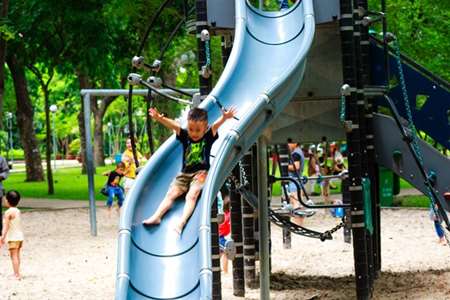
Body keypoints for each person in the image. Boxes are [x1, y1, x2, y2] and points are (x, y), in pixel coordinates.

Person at [142, 106, 236, 235]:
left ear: (205, 127)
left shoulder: (208, 136)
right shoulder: (185, 135)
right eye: (191, 129)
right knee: (171, 194)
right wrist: (159, 118)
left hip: (201, 174)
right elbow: (174, 126)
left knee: (191, 195)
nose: (194, 133)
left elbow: (215, 126)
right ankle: (157, 216)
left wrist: (224, 118)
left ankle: (182, 221)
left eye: (198, 130)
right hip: (184, 174)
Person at [0, 190, 24, 280]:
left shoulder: (8, 213)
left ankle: (16, 274)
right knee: (17, 256)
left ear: (8, 201)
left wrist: (2, 237)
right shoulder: (17, 211)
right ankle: (18, 272)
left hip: (13, 237)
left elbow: (6, 227)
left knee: (13, 256)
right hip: (19, 236)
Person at [287, 138, 306, 226]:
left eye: (289, 143)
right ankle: (297, 223)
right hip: (297, 181)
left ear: (295, 143)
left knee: (296, 203)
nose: (288, 145)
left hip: (294, 180)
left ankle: (299, 224)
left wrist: (285, 166)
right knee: (295, 202)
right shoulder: (299, 151)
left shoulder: (295, 153)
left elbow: (296, 166)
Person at [219, 194, 232, 273]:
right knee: (225, 253)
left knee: (219, 253)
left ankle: (216, 267)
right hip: (222, 237)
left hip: (218, 236)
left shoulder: (224, 214)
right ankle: (225, 271)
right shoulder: (229, 215)